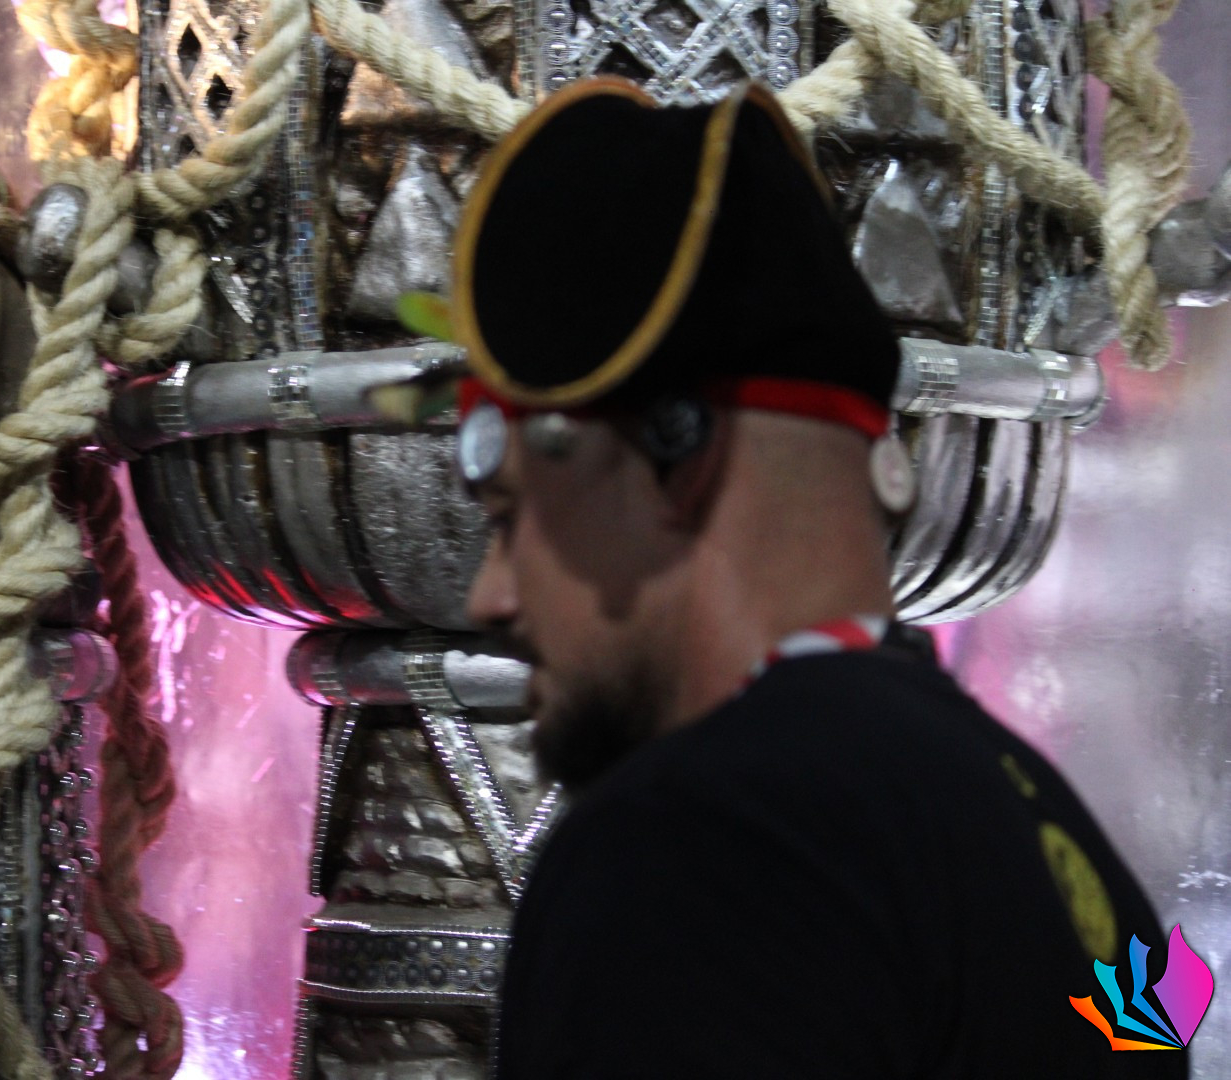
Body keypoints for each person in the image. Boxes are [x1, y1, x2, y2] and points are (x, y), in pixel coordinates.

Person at [444, 77, 1188, 1078]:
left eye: (513, 519)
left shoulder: (702, 841)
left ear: (677, 457)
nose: (491, 596)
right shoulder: (1054, 840)